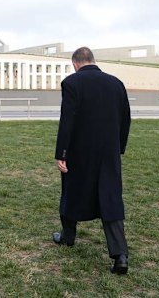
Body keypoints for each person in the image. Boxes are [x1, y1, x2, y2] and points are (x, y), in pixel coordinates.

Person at [53, 47, 131, 275]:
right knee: (111, 198)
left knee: (71, 191)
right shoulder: (116, 83)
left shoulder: (72, 83)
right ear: (92, 60)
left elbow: (67, 120)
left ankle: (68, 237)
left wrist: (62, 153)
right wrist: (119, 148)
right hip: (109, 153)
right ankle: (120, 256)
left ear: (75, 63)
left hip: (80, 152)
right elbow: (126, 118)